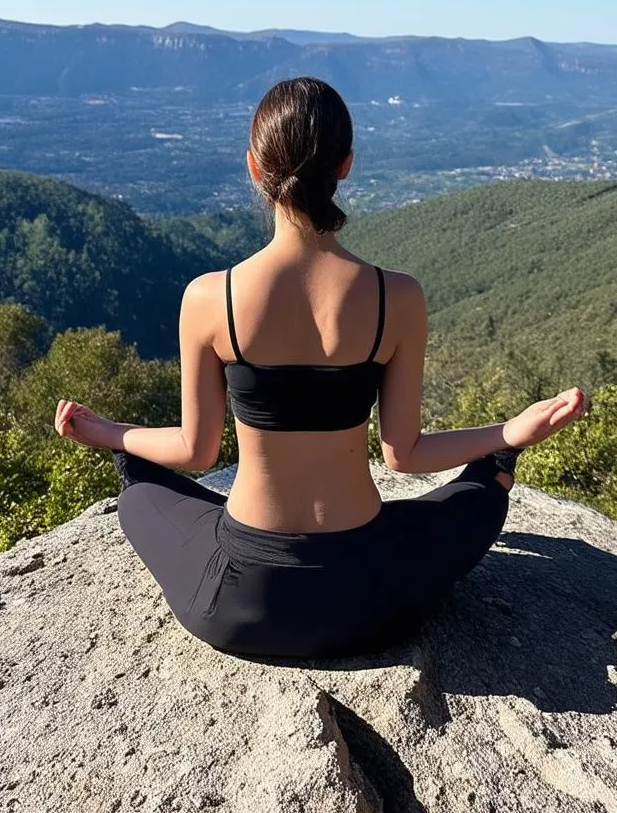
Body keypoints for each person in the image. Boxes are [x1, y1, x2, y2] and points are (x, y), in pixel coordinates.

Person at [54, 77, 589, 659]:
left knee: (140, 486)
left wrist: (109, 434)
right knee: (480, 493)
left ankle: (128, 464)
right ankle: (500, 467)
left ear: (255, 169)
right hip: (372, 599)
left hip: (240, 608)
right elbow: (404, 454)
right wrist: (509, 434)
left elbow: (196, 452)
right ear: (347, 166)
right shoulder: (397, 298)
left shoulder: (211, 298)